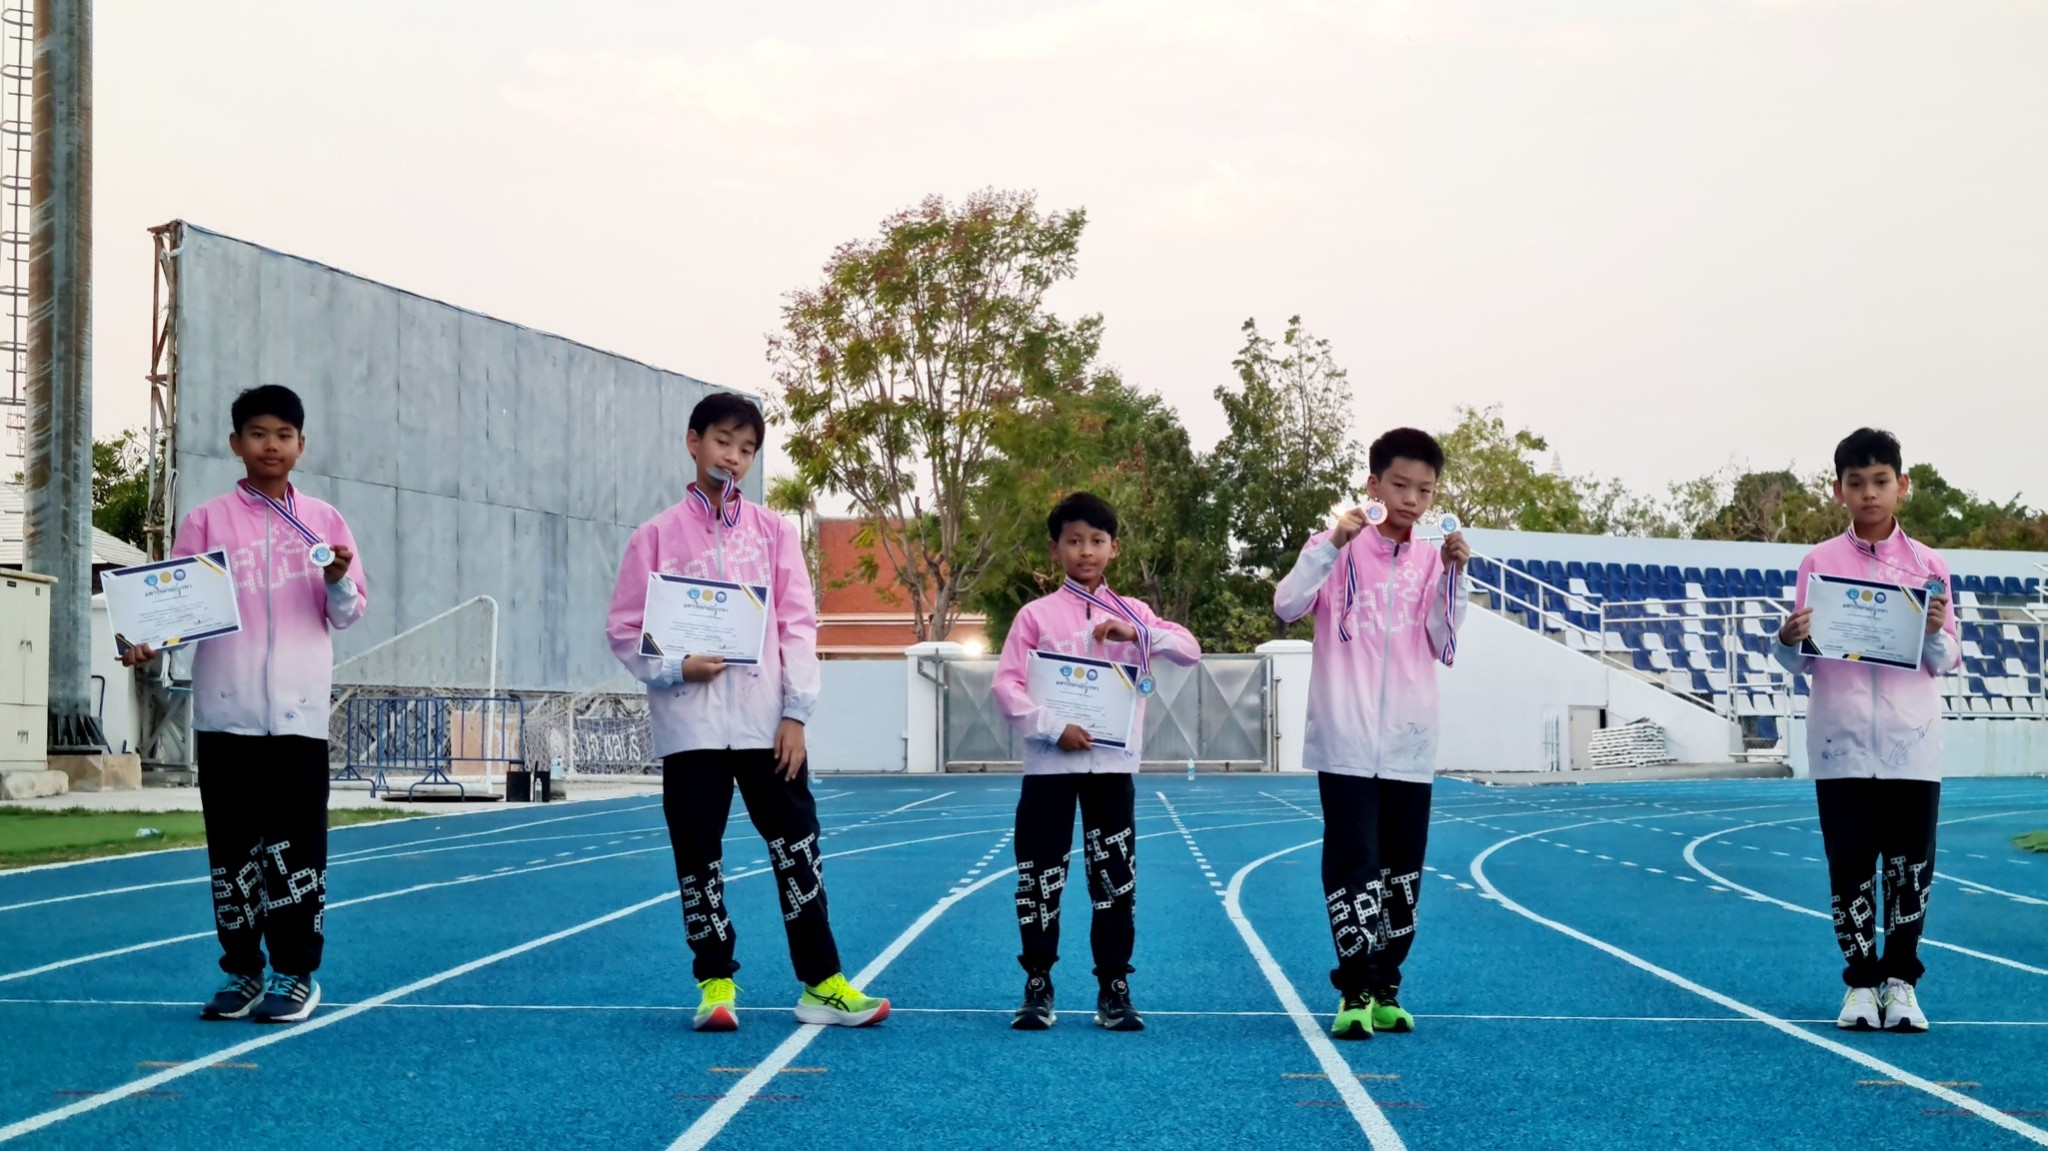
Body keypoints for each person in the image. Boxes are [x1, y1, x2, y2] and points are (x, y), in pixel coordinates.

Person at [606, 391, 888, 1032]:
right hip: (691, 728)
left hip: (768, 726)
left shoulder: (773, 533)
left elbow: (797, 624)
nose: (733, 457)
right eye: (722, 441)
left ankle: (822, 983)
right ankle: (714, 985)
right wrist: (677, 666)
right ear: (693, 442)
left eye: (747, 448)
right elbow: (624, 629)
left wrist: (796, 713)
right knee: (698, 855)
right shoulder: (654, 537)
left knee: (797, 848)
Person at [121, 384, 367, 1024]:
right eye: (257, 434)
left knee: (296, 851)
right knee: (232, 852)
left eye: (283, 435)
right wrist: (149, 640)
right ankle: (242, 971)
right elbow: (176, 608)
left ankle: (295, 973)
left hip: (299, 718)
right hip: (225, 715)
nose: (270, 446)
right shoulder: (207, 522)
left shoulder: (325, 521)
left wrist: (338, 581)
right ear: (236, 443)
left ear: (301, 445)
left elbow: (348, 613)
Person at [1273, 427, 1469, 1040]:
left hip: (1411, 742)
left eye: (1425, 490)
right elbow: (1286, 605)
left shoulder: (1433, 558)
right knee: (1353, 864)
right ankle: (1354, 988)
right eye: (1400, 485)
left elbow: (1443, 640)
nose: (1412, 499)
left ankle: (1387, 987)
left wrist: (1455, 577)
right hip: (1346, 741)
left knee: (1403, 871)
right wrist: (1334, 543)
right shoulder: (1333, 545)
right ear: (1373, 485)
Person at [991, 491, 1202, 1032]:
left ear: (1114, 548)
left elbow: (1189, 650)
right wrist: (1051, 728)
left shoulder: (1134, 613)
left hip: (1111, 770)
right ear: (1055, 549)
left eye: (1097, 540)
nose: (1085, 551)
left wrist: (1139, 633)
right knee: (1040, 876)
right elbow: (1007, 686)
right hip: (1049, 769)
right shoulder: (1035, 616)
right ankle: (1037, 983)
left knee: (1114, 880)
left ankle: (1114, 987)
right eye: (1073, 541)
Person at [1775, 427, 1957, 1033]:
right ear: (1839, 491)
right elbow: (1803, 659)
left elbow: (1946, 659)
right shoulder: (1819, 563)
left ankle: (1901, 984)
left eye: (1881, 481)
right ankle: (1859, 985)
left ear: (1903, 486)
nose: (1869, 494)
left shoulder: (1929, 566)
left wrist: (1932, 631)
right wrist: (1787, 640)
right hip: (1841, 744)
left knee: (1909, 870)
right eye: (1857, 483)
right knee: (1849, 867)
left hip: (1912, 745)